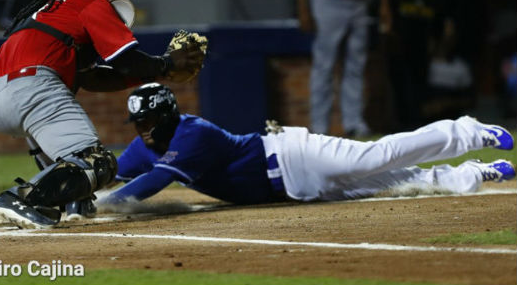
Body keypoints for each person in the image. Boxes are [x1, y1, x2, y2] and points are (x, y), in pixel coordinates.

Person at [0, 0, 205, 229]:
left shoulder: (37, 14)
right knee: (98, 162)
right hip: (33, 90)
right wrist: (166, 65)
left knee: (70, 155)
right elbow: (126, 61)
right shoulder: (88, 2)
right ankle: (24, 198)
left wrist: (157, 71)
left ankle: (76, 199)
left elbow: (93, 77)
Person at [97, 83, 514, 207]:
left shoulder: (192, 133)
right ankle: (471, 174)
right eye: (140, 122)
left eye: (150, 120)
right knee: (391, 182)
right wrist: (62, 191)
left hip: (292, 155)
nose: (145, 128)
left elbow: (151, 184)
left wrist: (104, 206)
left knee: (378, 155)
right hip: (291, 189)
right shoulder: (142, 145)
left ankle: (466, 131)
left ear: (167, 116)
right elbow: (111, 172)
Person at [291, 0, 393, 137]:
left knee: (356, 64)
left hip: (360, 0)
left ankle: (354, 123)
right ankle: (319, 127)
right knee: (324, 66)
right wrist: (304, 9)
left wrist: (384, 5)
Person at [385, 0, 464, 131]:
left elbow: (444, 26)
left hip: (424, 53)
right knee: (397, 90)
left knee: (421, 93)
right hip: (397, 49)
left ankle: (420, 129)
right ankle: (398, 128)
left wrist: (439, 47)